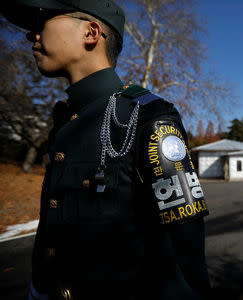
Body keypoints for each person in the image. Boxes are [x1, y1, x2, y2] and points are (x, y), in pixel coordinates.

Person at [1, 1, 211, 299]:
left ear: (91, 32)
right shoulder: (65, 119)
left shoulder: (146, 115)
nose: (31, 35)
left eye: (43, 20)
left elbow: (183, 242)